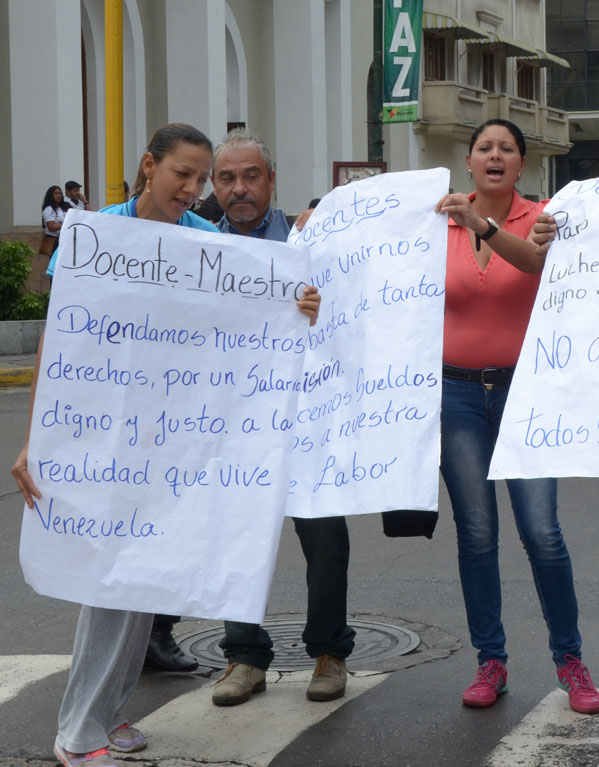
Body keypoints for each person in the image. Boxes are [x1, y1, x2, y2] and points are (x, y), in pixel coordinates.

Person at [10, 123, 322, 767]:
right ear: (148, 167)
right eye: (184, 173)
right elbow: (58, 341)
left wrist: (303, 302)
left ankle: (109, 713)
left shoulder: (206, 243)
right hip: (99, 438)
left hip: (169, 446)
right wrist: (33, 438)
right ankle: (77, 733)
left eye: (202, 177)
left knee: (145, 581)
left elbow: (260, 302)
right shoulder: (96, 239)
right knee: (110, 582)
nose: (195, 188)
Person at [432, 118, 599, 716]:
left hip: (526, 393)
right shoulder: (436, 222)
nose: (495, 155)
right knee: (477, 535)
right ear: (470, 161)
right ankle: (491, 662)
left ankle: (570, 661)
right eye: (484, 147)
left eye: (506, 148)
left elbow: (532, 263)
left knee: (542, 534)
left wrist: (481, 225)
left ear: (521, 164)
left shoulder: (544, 218)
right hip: (454, 397)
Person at [206, 128, 354, 707]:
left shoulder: (308, 242)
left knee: (324, 535)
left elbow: (352, 321)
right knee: (233, 538)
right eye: (226, 178)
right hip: (232, 424)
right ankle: (243, 657)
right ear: (212, 185)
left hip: (305, 419)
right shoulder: (198, 248)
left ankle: (329, 651)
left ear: (272, 180)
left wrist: (323, 309)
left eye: (251, 176)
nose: (239, 188)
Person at [39, 185, 70, 255]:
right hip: (53, 240)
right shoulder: (49, 209)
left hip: (63, 239)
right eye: (56, 193)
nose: (59, 195)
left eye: (60, 193)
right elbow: (51, 227)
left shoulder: (62, 208)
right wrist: (65, 224)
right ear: (50, 195)